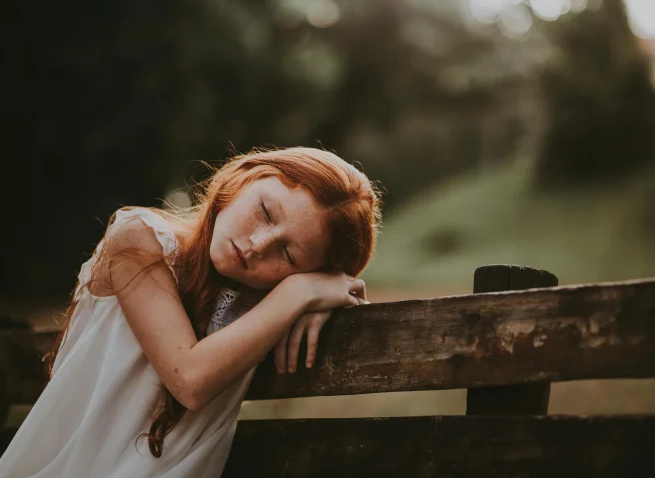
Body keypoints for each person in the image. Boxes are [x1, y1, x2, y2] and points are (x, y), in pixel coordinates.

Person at [0, 147, 381, 477]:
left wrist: (317, 297)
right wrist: (300, 292)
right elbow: (190, 380)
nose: (258, 244)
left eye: (288, 254)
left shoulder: (268, 305)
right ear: (243, 179)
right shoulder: (139, 240)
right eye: (265, 211)